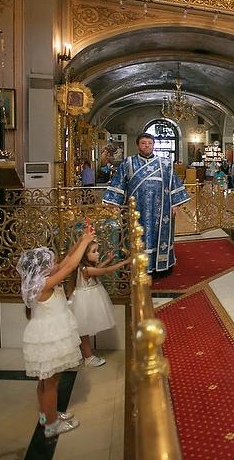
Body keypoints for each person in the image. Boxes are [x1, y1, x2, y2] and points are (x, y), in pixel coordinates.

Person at [18, 226, 95, 439]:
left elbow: (67, 259)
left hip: (46, 335)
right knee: (50, 384)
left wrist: (80, 241)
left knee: (46, 381)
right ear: (42, 270)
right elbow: (70, 265)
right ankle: (51, 426)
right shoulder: (43, 285)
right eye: (51, 263)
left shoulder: (38, 281)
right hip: (49, 338)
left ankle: (46, 416)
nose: (55, 264)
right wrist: (88, 240)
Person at [103, 134, 190, 276]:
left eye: (150, 143)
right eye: (143, 143)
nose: (147, 146)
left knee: (159, 237)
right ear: (138, 146)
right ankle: (137, 265)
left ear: (153, 145)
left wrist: (175, 204)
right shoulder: (128, 163)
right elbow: (119, 183)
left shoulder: (165, 163)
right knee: (138, 237)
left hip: (162, 210)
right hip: (137, 210)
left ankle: (161, 266)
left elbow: (174, 182)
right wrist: (114, 203)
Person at [70, 238, 130, 368]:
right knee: (84, 330)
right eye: (94, 251)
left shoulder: (87, 267)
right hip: (85, 301)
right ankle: (88, 357)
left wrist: (108, 260)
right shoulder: (85, 270)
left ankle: (87, 354)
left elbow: (99, 268)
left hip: (89, 299)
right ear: (84, 255)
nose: (97, 253)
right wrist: (125, 262)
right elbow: (104, 271)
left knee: (85, 329)